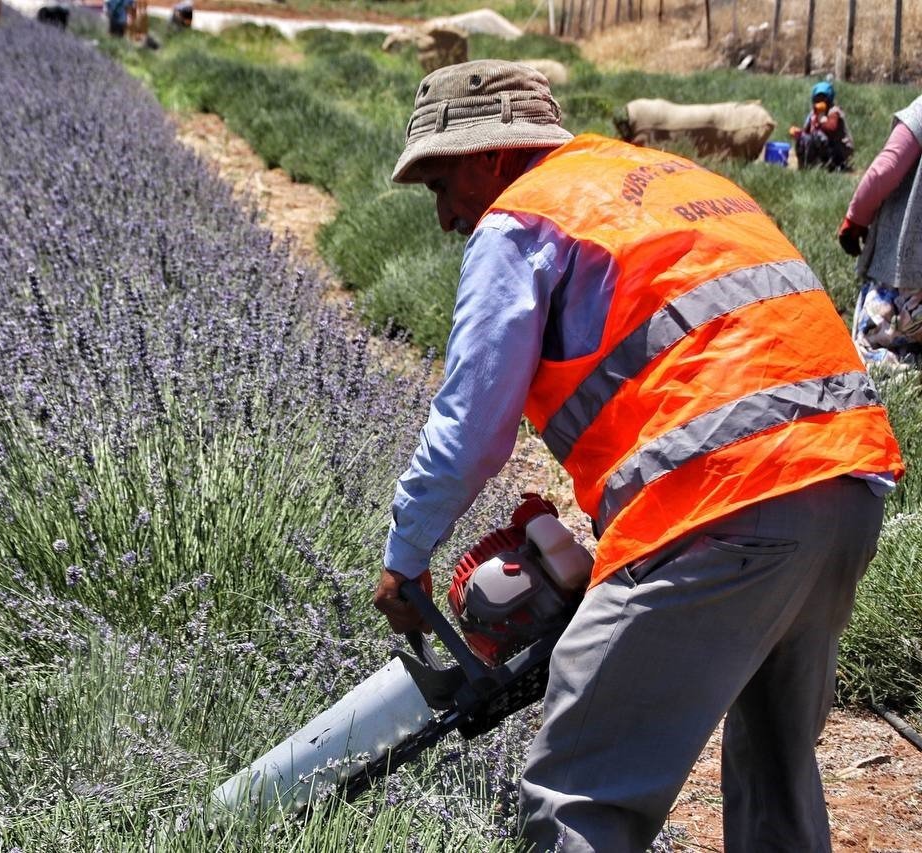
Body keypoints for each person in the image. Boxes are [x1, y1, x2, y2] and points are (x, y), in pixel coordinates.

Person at [371, 60, 904, 852]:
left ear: (488, 157)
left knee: (577, 793)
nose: (445, 217)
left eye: (440, 186)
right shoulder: (656, 175)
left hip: (722, 502)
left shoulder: (521, 219)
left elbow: (469, 428)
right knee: (776, 780)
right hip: (848, 478)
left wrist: (404, 557)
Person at [838, 94, 922, 366]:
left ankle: (891, 365)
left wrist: (856, 219)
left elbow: (885, 170)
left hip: (906, 283)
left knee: (869, 348)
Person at [789, 80, 854, 171]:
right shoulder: (813, 114)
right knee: (803, 139)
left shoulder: (834, 112)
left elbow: (832, 128)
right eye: (817, 99)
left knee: (817, 135)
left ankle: (831, 164)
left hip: (839, 149)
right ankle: (805, 166)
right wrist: (799, 133)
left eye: (823, 98)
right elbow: (807, 132)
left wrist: (820, 120)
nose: (820, 101)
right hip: (824, 146)